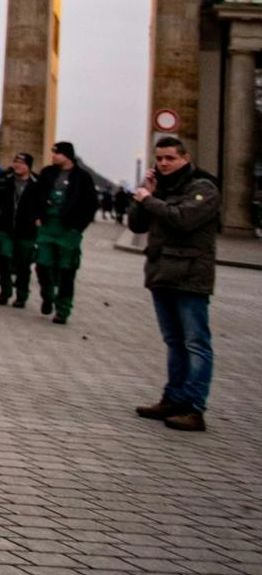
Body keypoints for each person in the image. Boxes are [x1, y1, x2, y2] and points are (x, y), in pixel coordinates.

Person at [129, 136, 220, 432]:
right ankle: (173, 398)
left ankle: (194, 408)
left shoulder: (203, 187)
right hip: (161, 274)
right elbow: (136, 225)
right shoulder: (161, 188)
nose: (164, 163)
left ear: (185, 157)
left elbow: (182, 219)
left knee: (196, 343)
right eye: (160, 158)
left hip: (190, 277)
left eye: (170, 158)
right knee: (174, 342)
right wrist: (146, 196)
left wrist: (149, 199)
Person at [23, 141, 96, 324]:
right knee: (42, 263)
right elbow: (33, 195)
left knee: (67, 270)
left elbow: (90, 204)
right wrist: (36, 216)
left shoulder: (82, 177)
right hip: (47, 225)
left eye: (56, 153)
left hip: (68, 230)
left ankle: (63, 309)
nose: (53, 156)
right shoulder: (47, 173)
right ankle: (48, 295)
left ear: (67, 155)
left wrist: (78, 227)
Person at [0, 153, 35, 306]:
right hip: (5, 227)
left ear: (28, 166)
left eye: (22, 163)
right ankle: (5, 289)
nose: (18, 165)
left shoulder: (37, 183)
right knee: (3, 257)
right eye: (16, 162)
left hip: (27, 231)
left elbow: (42, 204)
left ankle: (22, 294)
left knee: (23, 264)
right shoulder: (4, 179)